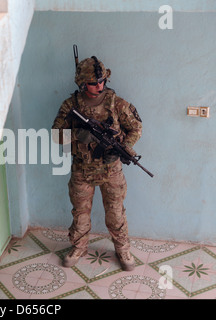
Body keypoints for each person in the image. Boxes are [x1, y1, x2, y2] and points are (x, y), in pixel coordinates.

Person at [52, 55, 143, 271]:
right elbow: (56, 135)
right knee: (80, 212)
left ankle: (122, 249)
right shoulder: (70, 105)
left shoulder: (116, 103)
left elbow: (136, 128)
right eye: (93, 82)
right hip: (82, 168)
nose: (99, 86)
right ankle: (78, 246)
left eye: (102, 81)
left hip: (111, 170)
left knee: (115, 212)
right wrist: (77, 134)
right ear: (82, 82)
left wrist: (123, 150)